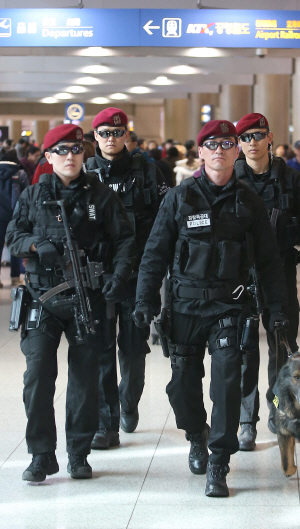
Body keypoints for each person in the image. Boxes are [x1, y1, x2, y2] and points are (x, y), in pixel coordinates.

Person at [132, 119, 289, 497]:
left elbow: (268, 260)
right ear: (199, 153)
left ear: (236, 151)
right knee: (182, 388)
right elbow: (155, 253)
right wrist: (144, 299)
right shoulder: (179, 198)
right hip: (185, 307)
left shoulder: (248, 200)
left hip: (228, 308)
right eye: (211, 144)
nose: (219, 150)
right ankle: (195, 435)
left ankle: (219, 461)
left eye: (226, 144)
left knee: (227, 382)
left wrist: (277, 309)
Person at [6, 124, 136, 482]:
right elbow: (13, 236)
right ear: (48, 157)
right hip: (42, 300)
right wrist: (35, 245)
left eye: (76, 150)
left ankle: (78, 453)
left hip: (88, 300)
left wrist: (117, 278)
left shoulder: (101, 196)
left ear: (84, 154)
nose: (70, 157)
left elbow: (125, 240)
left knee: (84, 379)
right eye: (61, 151)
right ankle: (41, 455)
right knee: (37, 377)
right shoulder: (33, 196)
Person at [235, 113, 300, 451]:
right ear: (238, 143)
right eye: (245, 137)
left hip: (279, 271)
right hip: (241, 277)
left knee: (282, 350)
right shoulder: (230, 177)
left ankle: (279, 414)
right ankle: (247, 421)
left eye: (257, 135)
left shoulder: (290, 179)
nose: (252, 142)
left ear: (269, 138)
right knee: (246, 349)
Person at [85, 108, 169, 448]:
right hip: (99, 278)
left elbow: (166, 222)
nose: (110, 139)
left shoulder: (149, 172)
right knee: (102, 349)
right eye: (104, 132)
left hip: (138, 276)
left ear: (126, 136)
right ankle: (107, 422)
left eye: (116, 132)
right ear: (95, 136)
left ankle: (128, 400)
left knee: (134, 349)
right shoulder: (84, 172)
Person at [0, 149, 29, 287]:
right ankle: (15, 277)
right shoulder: (20, 173)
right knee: (15, 245)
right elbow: (26, 195)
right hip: (15, 215)